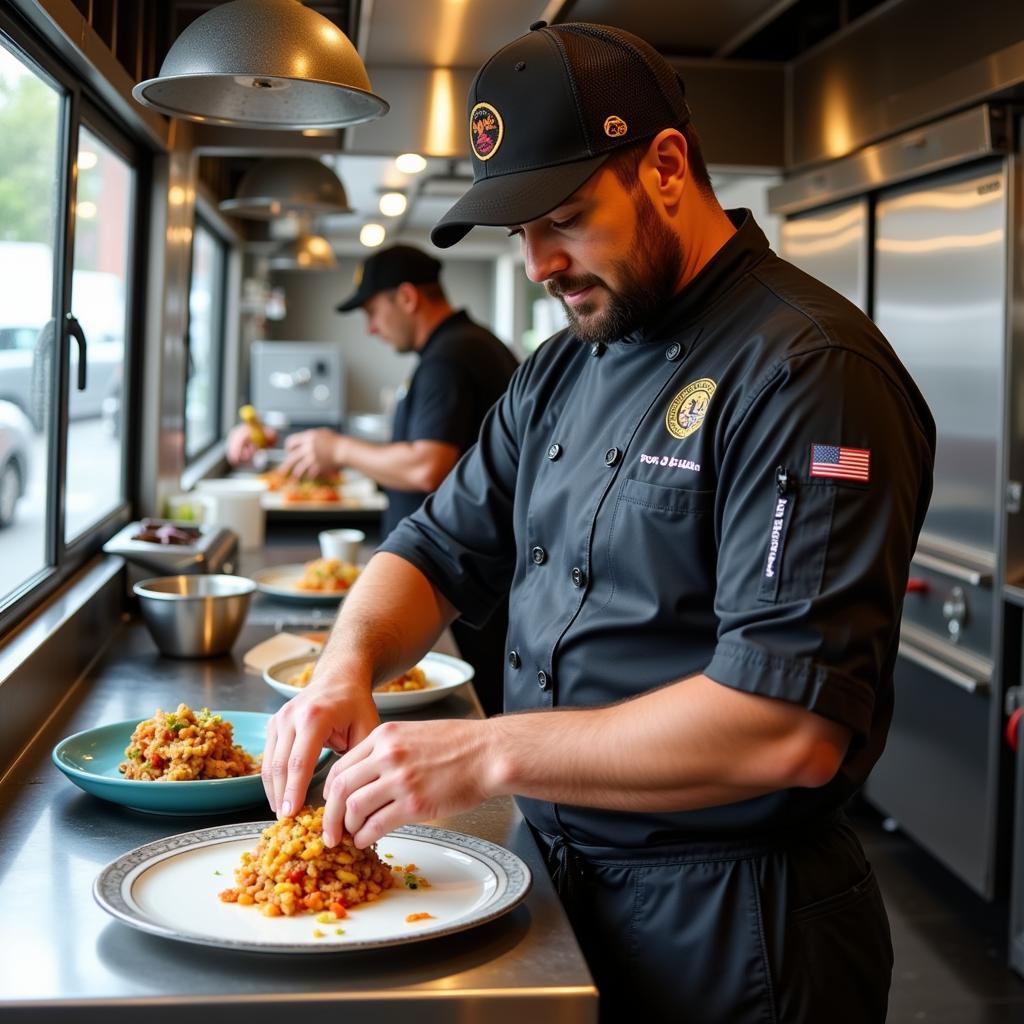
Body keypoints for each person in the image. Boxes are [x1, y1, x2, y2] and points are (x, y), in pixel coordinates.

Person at [261, 21, 935, 1023]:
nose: (538, 263)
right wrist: (343, 668)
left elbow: (785, 728)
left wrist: (487, 753)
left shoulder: (808, 375)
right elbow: (437, 548)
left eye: (565, 217)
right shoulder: (561, 368)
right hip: (564, 883)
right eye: (516, 232)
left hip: (735, 930)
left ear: (666, 165)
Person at [229, 245, 519, 715]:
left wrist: (340, 450)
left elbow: (428, 465)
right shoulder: (460, 348)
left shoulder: (451, 358)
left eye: (371, 311)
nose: (369, 328)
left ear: (406, 297)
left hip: (462, 590)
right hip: (464, 581)